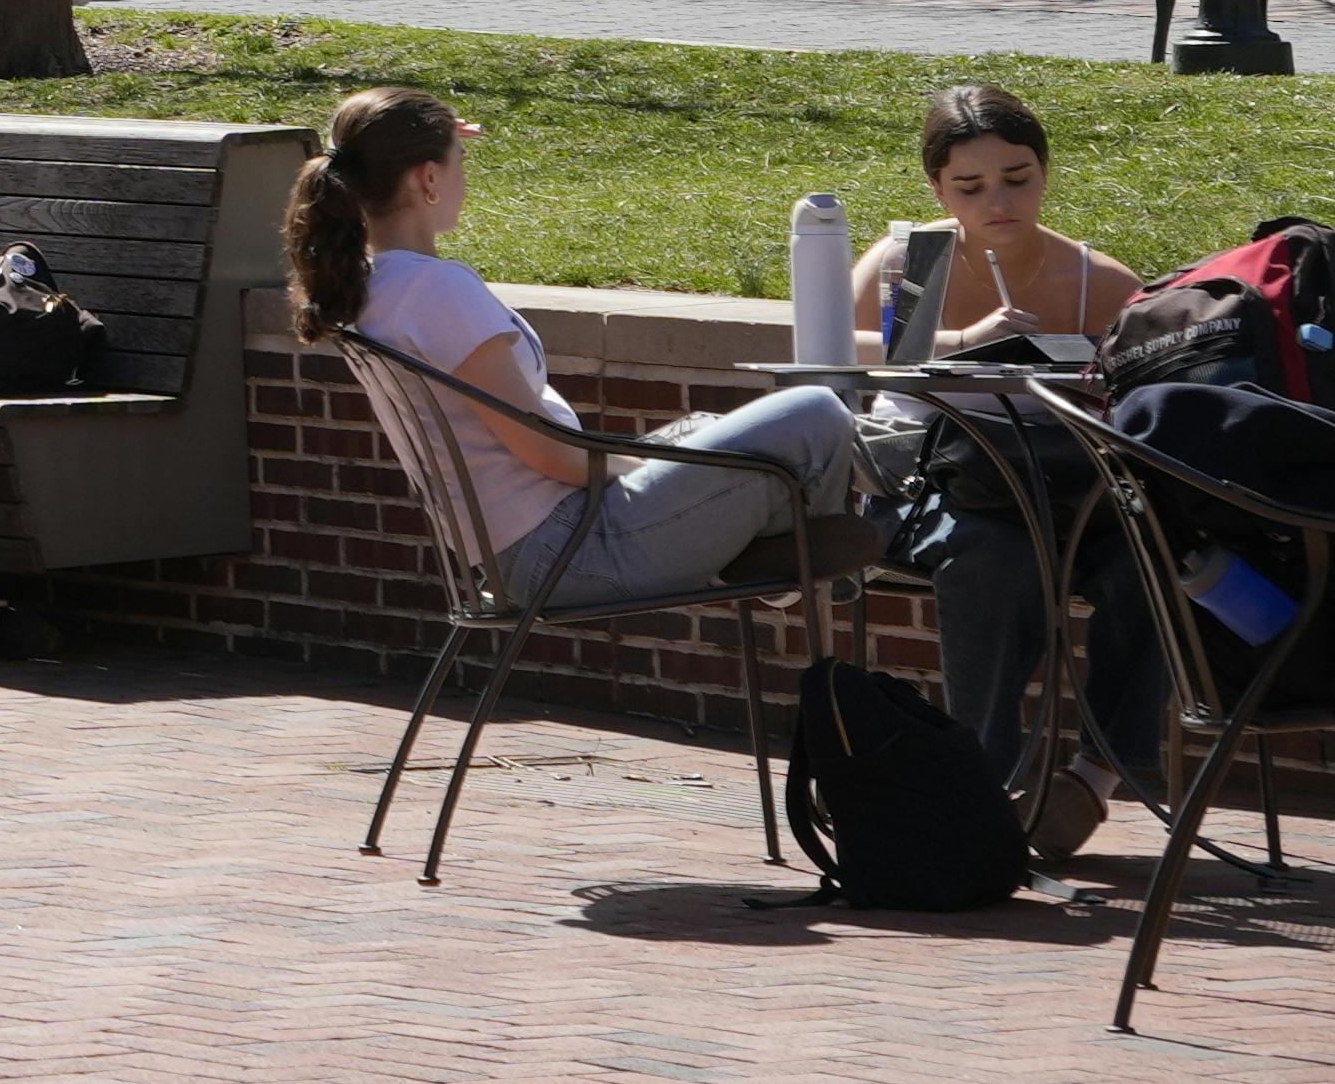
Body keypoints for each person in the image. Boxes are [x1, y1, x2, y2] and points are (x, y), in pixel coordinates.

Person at [294, 83, 861, 617]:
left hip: (526, 552)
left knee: (707, 430)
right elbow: (549, 454)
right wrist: (648, 466)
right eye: (460, 162)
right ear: (427, 179)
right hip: (571, 551)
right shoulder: (435, 291)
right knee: (815, 411)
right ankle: (802, 564)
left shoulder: (376, 287)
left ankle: (773, 552)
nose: (466, 177)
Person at [851, 80, 1161, 849]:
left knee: (1152, 558)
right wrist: (965, 342)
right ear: (937, 189)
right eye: (970, 187)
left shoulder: (1096, 281)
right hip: (929, 484)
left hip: (1059, 488)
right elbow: (831, 351)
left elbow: (1143, 394)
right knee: (992, 557)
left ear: (1045, 174)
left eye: (1017, 179)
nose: (998, 202)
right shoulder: (915, 258)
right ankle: (987, 783)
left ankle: (1093, 777)